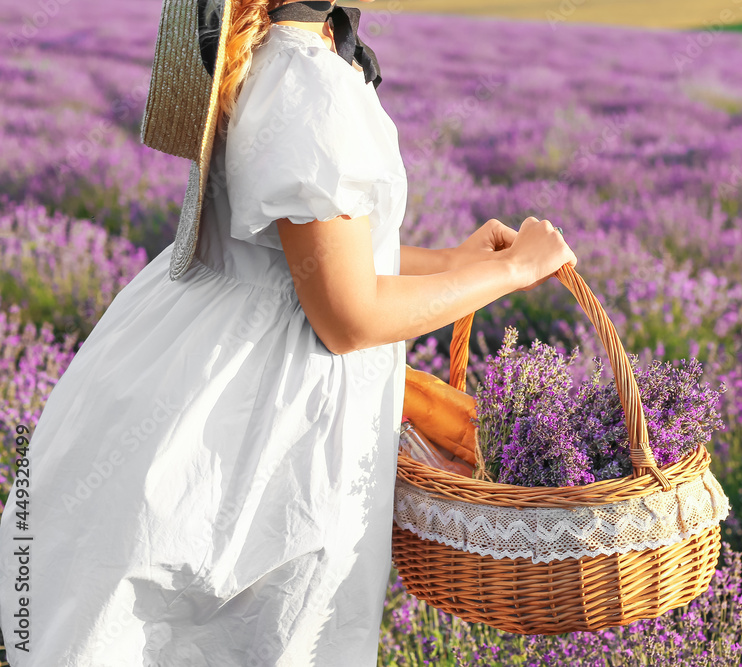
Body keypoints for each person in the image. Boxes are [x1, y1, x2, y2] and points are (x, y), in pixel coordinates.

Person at [0, 0, 576, 664]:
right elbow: (349, 316)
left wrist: (462, 262)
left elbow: (302, 264)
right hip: (269, 421)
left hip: (201, 371)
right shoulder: (310, 84)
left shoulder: (265, 54)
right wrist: (518, 270)